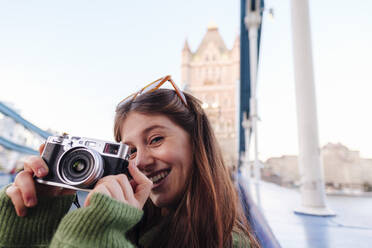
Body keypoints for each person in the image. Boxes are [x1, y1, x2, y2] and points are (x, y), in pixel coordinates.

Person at [0, 76, 260, 248]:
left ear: (197, 144)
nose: (142, 161)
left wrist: (94, 234)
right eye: (130, 151)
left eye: (156, 139)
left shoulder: (228, 243)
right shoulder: (133, 224)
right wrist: (30, 221)